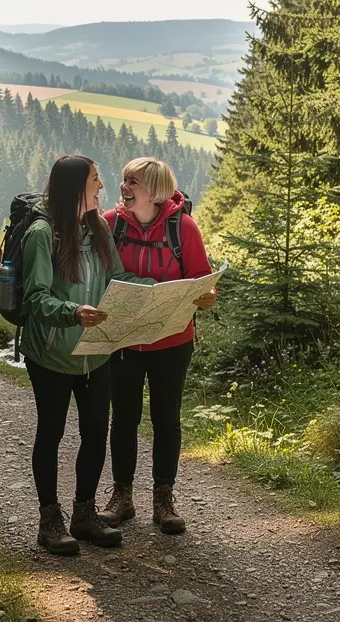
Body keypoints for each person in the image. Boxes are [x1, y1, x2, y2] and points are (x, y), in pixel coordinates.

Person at [21, 154, 153, 556]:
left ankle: (83, 514)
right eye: (96, 179)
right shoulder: (42, 234)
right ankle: (49, 521)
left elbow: (119, 279)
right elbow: (35, 299)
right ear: (76, 186)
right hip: (51, 355)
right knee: (52, 433)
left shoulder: (98, 228)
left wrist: (166, 292)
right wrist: (73, 312)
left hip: (96, 353)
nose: (102, 185)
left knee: (96, 432)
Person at [99, 157, 216, 535]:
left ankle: (164, 499)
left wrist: (207, 294)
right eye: (123, 180)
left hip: (173, 340)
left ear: (156, 189)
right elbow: (93, 274)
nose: (124, 188)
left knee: (167, 418)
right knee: (125, 418)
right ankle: (123, 496)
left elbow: (202, 279)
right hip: (124, 340)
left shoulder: (183, 227)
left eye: (132, 182)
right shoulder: (110, 224)